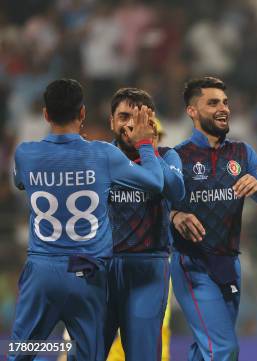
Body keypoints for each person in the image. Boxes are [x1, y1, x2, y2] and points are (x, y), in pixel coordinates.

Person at [10, 79, 163, 361]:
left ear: (45, 114)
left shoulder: (25, 154)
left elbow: (21, 182)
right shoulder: (103, 155)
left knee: (22, 351)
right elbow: (155, 182)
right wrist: (145, 144)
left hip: (41, 270)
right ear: (82, 114)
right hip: (86, 273)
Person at [169, 77, 257, 361]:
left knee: (203, 348)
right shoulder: (176, 157)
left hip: (229, 264)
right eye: (212, 103)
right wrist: (175, 214)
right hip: (192, 265)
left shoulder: (242, 154)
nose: (223, 108)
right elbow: (156, 208)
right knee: (223, 348)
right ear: (192, 111)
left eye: (225, 102)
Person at [103, 88, 185, 361]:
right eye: (124, 116)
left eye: (139, 118)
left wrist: (146, 148)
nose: (130, 125)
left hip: (148, 269)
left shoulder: (168, 157)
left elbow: (175, 191)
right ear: (111, 122)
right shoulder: (98, 158)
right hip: (101, 268)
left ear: (151, 124)